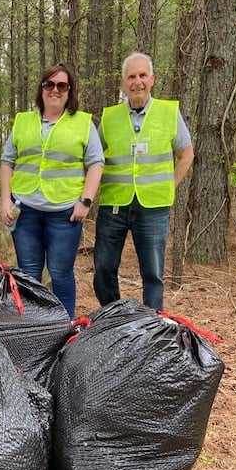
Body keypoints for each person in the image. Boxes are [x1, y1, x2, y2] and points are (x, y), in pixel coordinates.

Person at [0, 63, 104, 319]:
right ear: (42, 88)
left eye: (62, 85)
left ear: (69, 92)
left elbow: (96, 163)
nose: (54, 90)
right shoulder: (22, 121)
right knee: (28, 273)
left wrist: (85, 202)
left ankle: (64, 326)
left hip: (65, 214)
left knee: (60, 273)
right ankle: (33, 327)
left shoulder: (83, 122)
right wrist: (5, 200)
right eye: (49, 84)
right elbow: (6, 161)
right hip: (25, 213)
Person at [93, 52, 194, 311]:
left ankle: (151, 325)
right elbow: (94, 158)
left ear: (152, 79)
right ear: (123, 83)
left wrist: (169, 185)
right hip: (114, 204)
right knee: (103, 268)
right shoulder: (109, 117)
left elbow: (186, 154)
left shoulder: (169, 112)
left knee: (152, 273)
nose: (137, 81)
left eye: (142, 75)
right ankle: (112, 318)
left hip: (154, 207)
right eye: (131, 77)